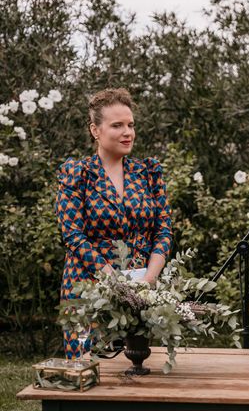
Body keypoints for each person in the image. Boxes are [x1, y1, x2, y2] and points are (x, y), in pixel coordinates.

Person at [56, 88, 172, 359]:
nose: (127, 132)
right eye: (117, 125)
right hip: (88, 286)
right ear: (95, 130)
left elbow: (163, 230)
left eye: (130, 125)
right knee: (89, 368)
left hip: (140, 288)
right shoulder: (77, 174)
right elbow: (73, 236)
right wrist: (113, 281)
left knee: (134, 370)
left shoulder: (148, 173)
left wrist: (148, 281)